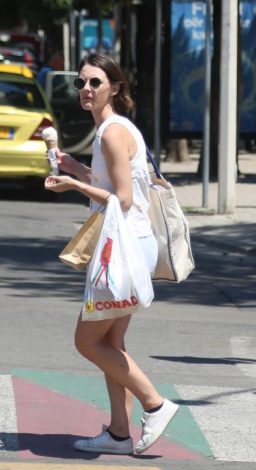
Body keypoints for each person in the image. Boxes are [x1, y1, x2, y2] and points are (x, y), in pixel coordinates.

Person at [43, 53, 178, 454]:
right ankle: (119, 433)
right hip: (128, 245)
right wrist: (75, 168)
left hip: (123, 249)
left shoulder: (112, 133)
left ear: (115, 88)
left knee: (87, 342)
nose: (86, 89)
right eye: (81, 82)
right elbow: (113, 183)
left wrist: (74, 186)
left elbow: (123, 198)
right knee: (110, 343)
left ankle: (155, 404)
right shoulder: (110, 128)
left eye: (95, 83)